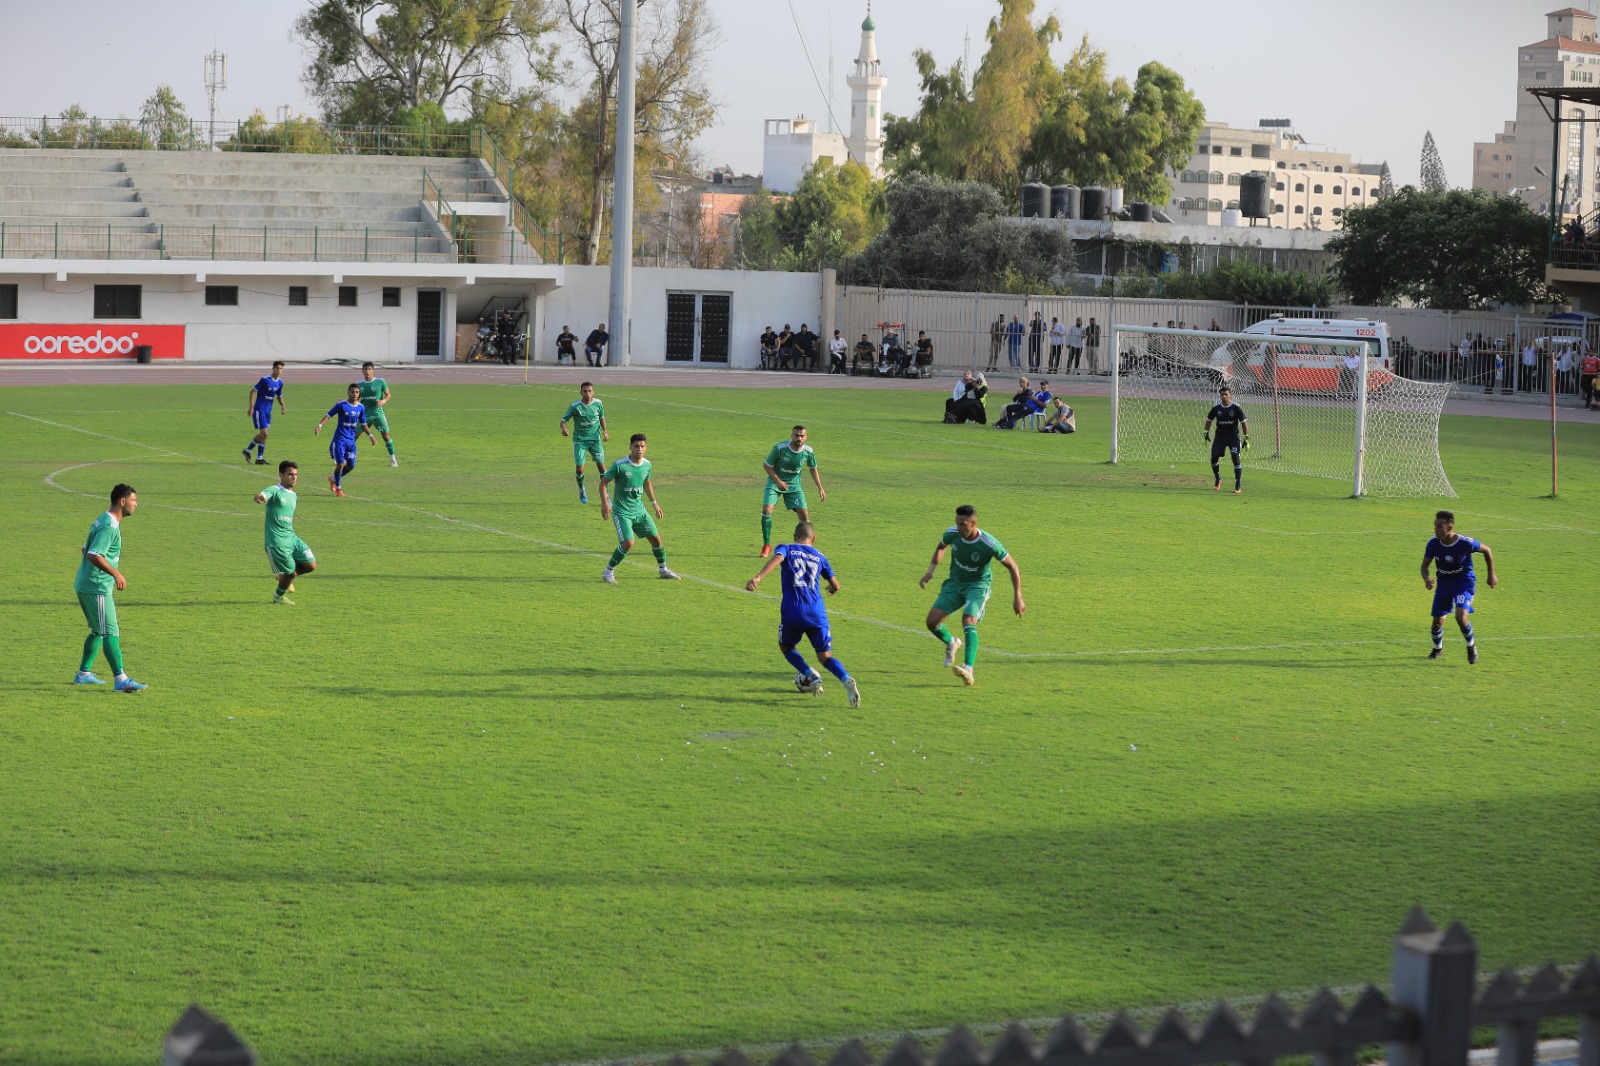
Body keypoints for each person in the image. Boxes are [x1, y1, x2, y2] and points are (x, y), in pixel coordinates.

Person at [744, 520, 861, 707]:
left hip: (794, 610)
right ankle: (845, 678)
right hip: (817, 612)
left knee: (787, 647)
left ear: (794, 536)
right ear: (813, 539)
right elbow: (836, 586)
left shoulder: (788, 548)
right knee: (825, 657)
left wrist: (758, 577)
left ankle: (810, 674)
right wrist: (831, 587)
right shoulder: (820, 556)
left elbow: (777, 558)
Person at [918, 504, 1024, 686]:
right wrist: (930, 571)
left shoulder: (989, 544)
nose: (958, 528)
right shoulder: (952, 533)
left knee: (968, 620)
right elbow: (941, 546)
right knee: (932, 622)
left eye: (963, 525)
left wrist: (1018, 597)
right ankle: (952, 642)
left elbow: (1013, 567)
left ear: (973, 523)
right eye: (957, 523)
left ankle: (968, 668)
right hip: (955, 583)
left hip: (977, 586)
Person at [71, 483, 147, 691]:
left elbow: (85, 548)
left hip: (85, 583)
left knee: (98, 631)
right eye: (133, 500)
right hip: (97, 588)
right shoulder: (109, 526)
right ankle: (121, 679)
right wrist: (115, 573)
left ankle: (84, 674)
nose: (136, 504)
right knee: (111, 632)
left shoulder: (103, 519)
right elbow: (93, 554)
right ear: (122, 501)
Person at [598, 433, 680, 582]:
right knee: (628, 543)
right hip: (622, 512)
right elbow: (603, 483)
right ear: (630, 447)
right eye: (636, 446)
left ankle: (663, 570)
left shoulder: (647, 465)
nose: (639, 449)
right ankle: (608, 572)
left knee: (656, 539)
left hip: (640, 511)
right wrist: (605, 503)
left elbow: (646, 482)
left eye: (642, 446)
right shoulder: (620, 465)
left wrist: (654, 503)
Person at [1422, 509, 1497, 664]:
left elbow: (1487, 550)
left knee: (1460, 616)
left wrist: (1491, 574)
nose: (1436, 529)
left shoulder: (1465, 543)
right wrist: (1427, 578)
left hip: (1463, 583)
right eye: (1435, 526)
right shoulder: (1433, 544)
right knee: (1437, 623)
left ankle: (1471, 646)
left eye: (1439, 526)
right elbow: (1424, 566)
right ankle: (1438, 648)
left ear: (1450, 528)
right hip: (1444, 585)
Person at [255, 461, 317, 606]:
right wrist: (260, 497)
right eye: (290, 474)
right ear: (281, 475)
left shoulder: (293, 495)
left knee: (310, 565)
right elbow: (264, 494)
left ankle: (284, 577)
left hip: (292, 538)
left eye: (295, 474)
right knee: (291, 573)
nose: (294, 477)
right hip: (277, 541)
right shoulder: (275, 490)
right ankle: (278, 596)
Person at [760, 425, 826, 557]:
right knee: (767, 510)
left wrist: (820, 487)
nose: (799, 438)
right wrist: (778, 481)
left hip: (794, 485)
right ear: (792, 436)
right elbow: (767, 465)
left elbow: (813, 468)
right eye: (796, 435)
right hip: (775, 482)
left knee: (805, 517)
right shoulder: (780, 448)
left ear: (806, 437)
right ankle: (766, 545)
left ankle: (804, 546)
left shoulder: (808, 451)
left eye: (802, 436)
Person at [314, 383, 377, 497]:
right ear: (348, 392)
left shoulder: (361, 408)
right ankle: (338, 488)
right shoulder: (341, 405)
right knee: (341, 463)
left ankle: (333, 479)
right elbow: (329, 415)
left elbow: (363, 424)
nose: (355, 394)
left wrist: (371, 436)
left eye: (357, 392)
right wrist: (320, 425)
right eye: (352, 392)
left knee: (351, 466)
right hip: (340, 440)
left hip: (351, 442)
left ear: (359, 394)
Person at [560, 381, 609, 503]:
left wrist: (605, 431)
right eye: (585, 391)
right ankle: (582, 489)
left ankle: (606, 496)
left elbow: (602, 417)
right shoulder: (575, 406)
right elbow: (563, 420)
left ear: (593, 392)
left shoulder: (598, 404)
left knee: (602, 468)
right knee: (580, 469)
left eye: (590, 391)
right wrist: (564, 429)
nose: (588, 393)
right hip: (580, 441)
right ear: (580, 392)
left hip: (595, 441)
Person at [1204, 385, 1249, 493]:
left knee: (1235, 458)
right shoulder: (1216, 408)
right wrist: (1206, 433)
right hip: (1220, 437)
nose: (1224, 396)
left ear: (1230, 395)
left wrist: (1246, 437)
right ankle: (1218, 479)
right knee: (1214, 457)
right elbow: (1209, 419)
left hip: (1233, 437)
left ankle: (1238, 485)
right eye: (1222, 394)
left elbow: (1243, 422)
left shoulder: (1236, 408)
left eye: (1226, 394)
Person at [243, 361, 287, 465]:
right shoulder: (265, 380)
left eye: (281, 369)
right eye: (277, 368)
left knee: (264, 435)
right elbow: (253, 391)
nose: (279, 370)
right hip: (259, 409)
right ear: (273, 369)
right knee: (264, 433)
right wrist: (251, 407)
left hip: (268, 411)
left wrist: (283, 406)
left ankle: (259, 458)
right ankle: (248, 450)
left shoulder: (280, 383)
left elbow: (279, 396)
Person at [357, 361, 398, 467]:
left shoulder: (380, 382)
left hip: (378, 414)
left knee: (386, 436)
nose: (367, 371)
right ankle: (345, 457)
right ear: (362, 371)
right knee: (353, 436)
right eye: (365, 369)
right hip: (364, 415)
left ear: (373, 370)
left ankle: (392, 457)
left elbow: (388, 395)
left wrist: (383, 401)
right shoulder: (359, 384)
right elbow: (355, 399)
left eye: (369, 369)